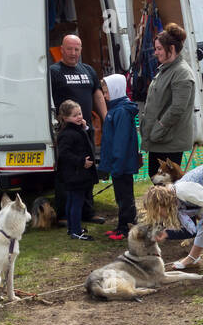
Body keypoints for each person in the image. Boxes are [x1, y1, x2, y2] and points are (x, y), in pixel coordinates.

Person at [49, 34, 107, 224]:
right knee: (67, 170)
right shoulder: (54, 71)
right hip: (66, 132)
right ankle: (64, 214)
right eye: (70, 49)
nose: (73, 53)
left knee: (88, 168)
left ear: (81, 50)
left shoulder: (88, 70)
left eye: (77, 49)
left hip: (86, 130)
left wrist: (106, 119)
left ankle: (87, 212)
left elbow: (97, 94)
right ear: (62, 50)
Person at [140, 22, 196, 181]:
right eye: (155, 48)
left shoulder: (181, 73)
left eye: (159, 49)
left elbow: (177, 108)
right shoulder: (166, 69)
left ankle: (171, 207)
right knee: (156, 180)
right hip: (158, 140)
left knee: (167, 186)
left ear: (171, 49)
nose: (155, 53)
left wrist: (159, 128)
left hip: (169, 141)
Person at [97, 74, 140, 240]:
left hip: (121, 164)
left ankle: (125, 227)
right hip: (118, 164)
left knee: (124, 196)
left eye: (106, 91)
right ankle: (124, 224)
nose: (105, 95)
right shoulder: (115, 109)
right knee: (120, 195)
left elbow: (120, 143)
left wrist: (116, 165)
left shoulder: (121, 111)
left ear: (115, 90)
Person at [54, 99, 98, 240]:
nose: (79, 117)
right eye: (75, 115)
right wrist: (81, 162)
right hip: (75, 174)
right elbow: (65, 153)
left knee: (72, 200)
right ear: (66, 118)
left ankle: (72, 228)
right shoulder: (67, 134)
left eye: (80, 113)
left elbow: (88, 143)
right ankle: (76, 231)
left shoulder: (77, 130)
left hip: (76, 174)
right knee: (76, 202)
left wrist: (86, 129)